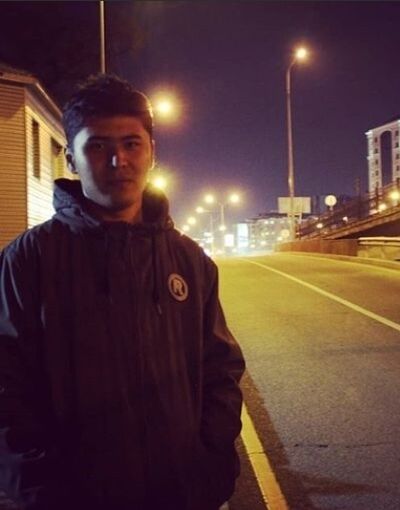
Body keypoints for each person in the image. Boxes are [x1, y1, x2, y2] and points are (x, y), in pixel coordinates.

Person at [0, 74, 245, 510]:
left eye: (132, 144)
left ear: (152, 152)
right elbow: (6, 389)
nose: (118, 160)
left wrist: (208, 467)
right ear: (70, 159)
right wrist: (41, 491)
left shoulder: (189, 260)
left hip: (182, 496)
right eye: (97, 146)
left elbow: (220, 370)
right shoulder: (27, 260)